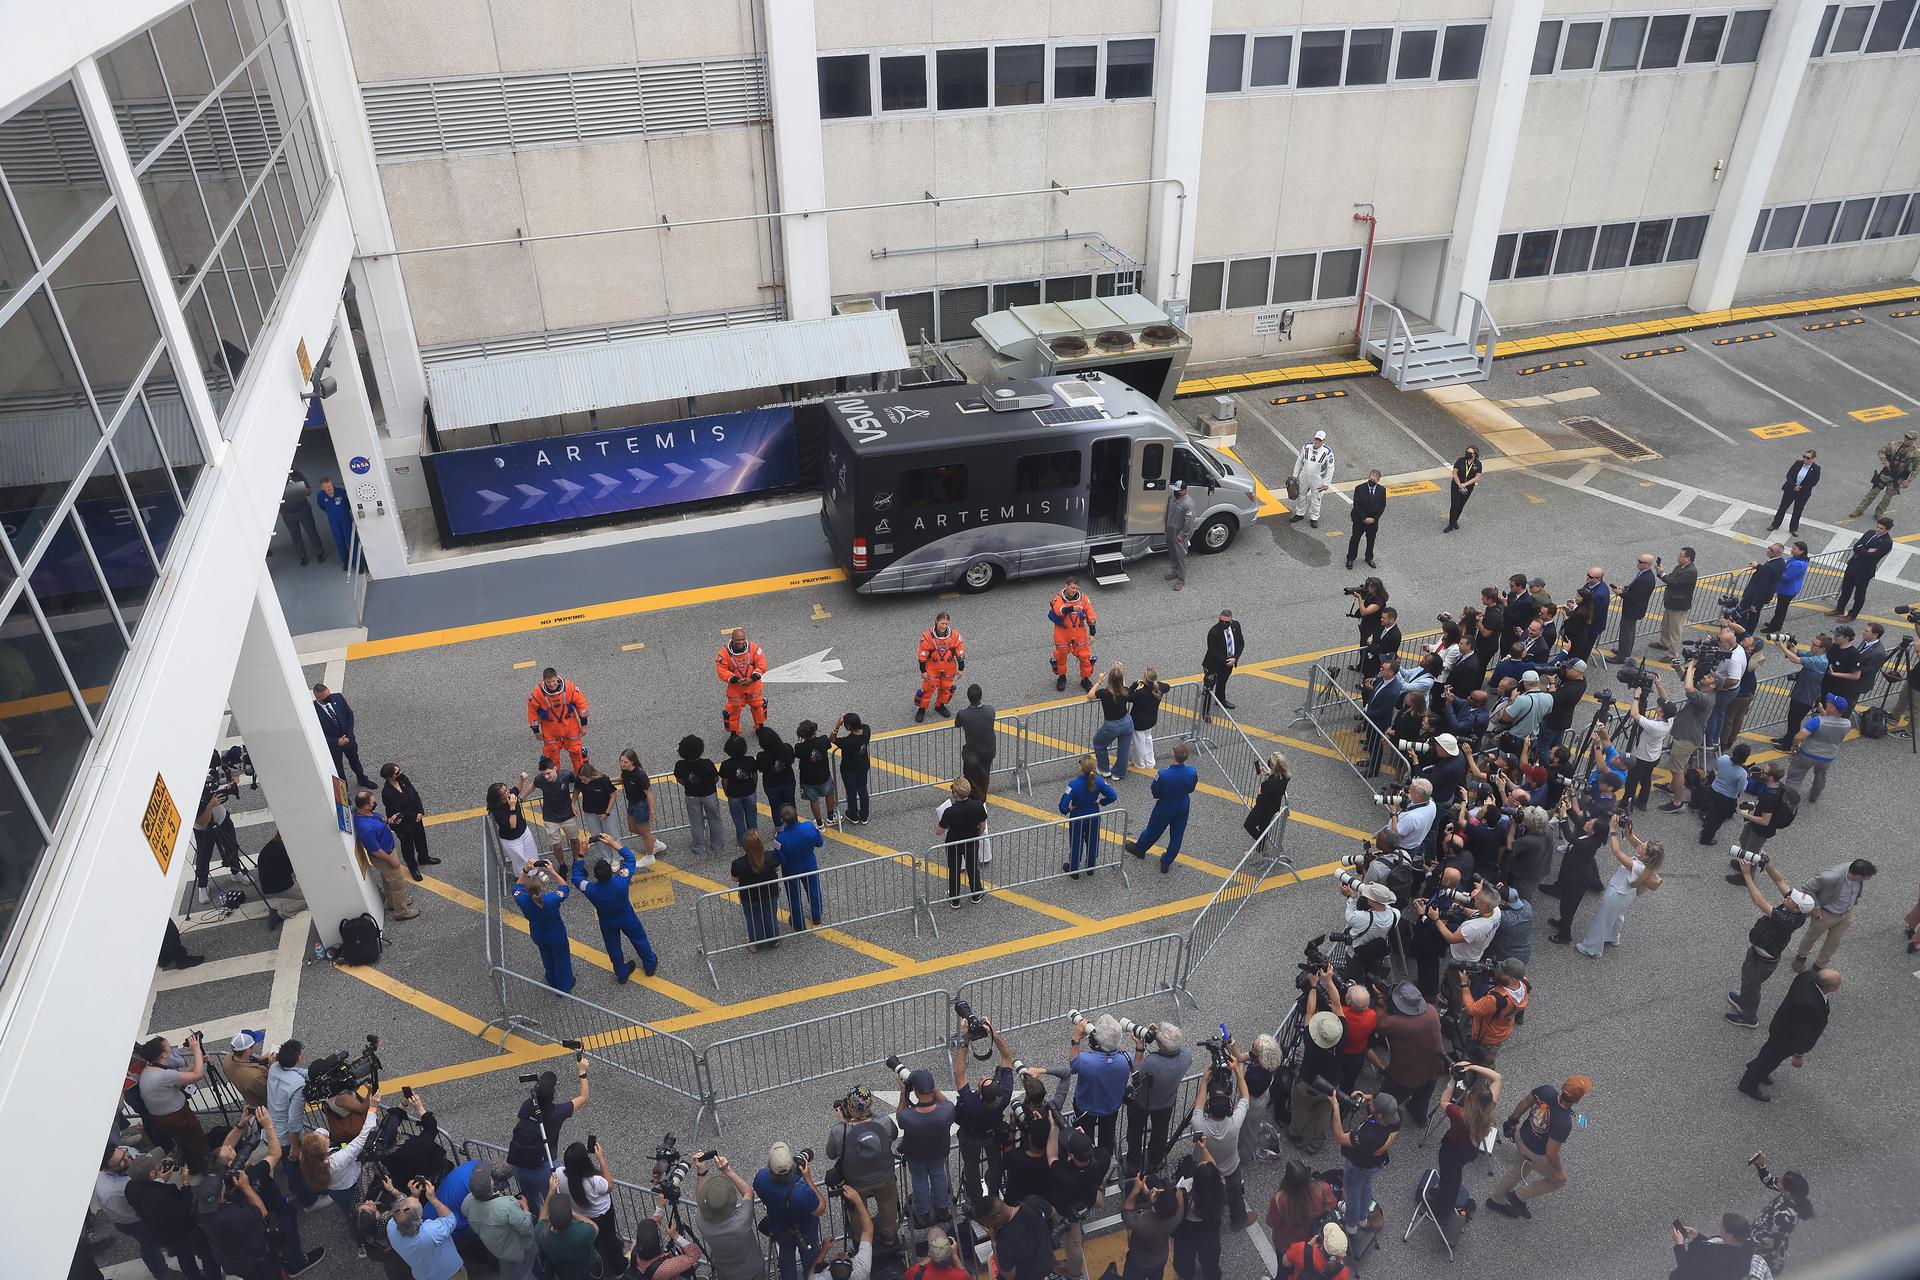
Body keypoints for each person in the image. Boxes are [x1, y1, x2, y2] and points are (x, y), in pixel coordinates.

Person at [1728, 857, 1814, 1028]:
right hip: (1758, 952)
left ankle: (1749, 1017)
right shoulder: (1795, 908)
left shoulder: (1788, 918)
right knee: (1747, 979)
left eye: (1792, 898)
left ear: (1797, 908)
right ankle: (1743, 999)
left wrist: (1747, 876)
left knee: (1752, 985)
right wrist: (1766, 862)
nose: (1788, 896)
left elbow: (1760, 902)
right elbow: (1779, 880)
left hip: (1763, 962)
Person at [1488, 1075, 1590, 1219]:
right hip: (1535, 1154)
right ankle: (1519, 1196)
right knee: (1559, 1181)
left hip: (1520, 1136)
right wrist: (1559, 1171)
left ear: (1562, 1087)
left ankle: (1496, 1200)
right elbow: (1551, 1151)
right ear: (1576, 1101)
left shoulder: (1546, 1091)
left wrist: (1512, 1121)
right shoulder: (1564, 1122)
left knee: (1517, 1170)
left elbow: (1524, 1104)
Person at [296, 1086, 382, 1253]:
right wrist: (372, 1107)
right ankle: (361, 1244)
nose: (323, 1134)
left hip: (335, 1189)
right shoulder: (335, 1161)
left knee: (348, 1212)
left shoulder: (307, 1157)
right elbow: (361, 1139)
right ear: (323, 1151)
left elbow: (320, 1132)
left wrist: (318, 1137)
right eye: (322, 1140)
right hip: (349, 1188)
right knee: (354, 1215)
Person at [569, 833, 659, 983]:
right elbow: (630, 859)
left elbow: (576, 877)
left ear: (595, 876)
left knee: (613, 947)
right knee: (639, 938)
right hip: (626, 916)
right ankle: (649, 964)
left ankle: (621, 973)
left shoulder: (590, 889)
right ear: (611, 872)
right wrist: (612, 843)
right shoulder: (621, 880)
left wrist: (581, 853)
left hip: (607, 922)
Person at [1429, 1063, 1500, 1245]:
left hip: (1452, 1150)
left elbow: (1444, 1101)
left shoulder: (1459, 1115)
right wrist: (1473, 1066)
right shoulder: (1489, 1107)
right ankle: (1449, 1196)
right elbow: (1497, 1077)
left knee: (1447, 1178)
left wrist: (1453, 1079)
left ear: (1470, 1098)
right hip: (1470, 1150)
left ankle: (1442, 1211)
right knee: (1455, 1174)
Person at [125, 1152, 222, 1280]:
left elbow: (149, 1192)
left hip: (164, 1236)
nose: (161, 1166)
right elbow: (187, 1210)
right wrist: (185, 1184)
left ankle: (194, 1277)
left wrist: (159, 1181)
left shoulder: (130, 1188)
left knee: (184, 1258)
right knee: (208, 1256)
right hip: (185, 1234)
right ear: (152, 1174)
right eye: (158, 1167)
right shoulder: (163, 1195)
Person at [1576, 817, 1662, 958]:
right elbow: (1637, 844)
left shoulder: (1637, 867)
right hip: (1627, 893)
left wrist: (1613, 831)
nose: (1639, 845)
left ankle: (1592, 948)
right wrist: (1628, 833)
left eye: (1642, 847)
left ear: (1646, 856)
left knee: (1602, 920)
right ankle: (1612, 937)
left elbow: (1617, 851)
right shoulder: (1649, 864)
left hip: (1617, 892)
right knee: (1617, 917)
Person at [952, 1018, 1016, 1204]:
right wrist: (993, 1034)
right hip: (992, 1135)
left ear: (980, 1095)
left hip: (970, 1138)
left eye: (981, 1082)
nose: (982, 1077)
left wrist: (965, 1040)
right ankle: (994, 1192)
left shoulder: (972, 1104)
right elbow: (1007, 1058)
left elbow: (959, 1074)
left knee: (971, 1166)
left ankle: (976, 1197)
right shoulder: (1004, 1094)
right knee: (995, 1162)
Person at [506, 1064, 589, 1205]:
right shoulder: (556, 1113)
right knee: (553, 1203)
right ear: (553, 1096)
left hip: (520, 1164)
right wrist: (582, 1072)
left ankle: (536, 1222)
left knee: (531, 1203)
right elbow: (584, 1096)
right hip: (544, 1168)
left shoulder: (527, 1105)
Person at [1189, 1055, 1253, 1229]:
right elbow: (1245, 1097)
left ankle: (1207, 1219)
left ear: (1209, 1108)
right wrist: (1238, 1072)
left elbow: (1198, 1107)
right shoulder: (1234, 1124)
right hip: (1231, 1168)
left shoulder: (1199, 1124)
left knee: (1204, 1194)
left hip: (1206, 1170)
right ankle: (1239, 1220)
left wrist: (1204, 1081)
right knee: (1235, 1194)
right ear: (1229, 1109)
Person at [1373, 981, 1447, 1126]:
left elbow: (1380, 1023)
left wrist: (1381, 1002)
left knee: (1388, 1098)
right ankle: (1419, 1117)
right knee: (1423, 1096)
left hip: (1406, 1074)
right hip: (1434, 1067)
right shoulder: (1431, 1011)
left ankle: (1379, 1118)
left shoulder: (1396, 1023)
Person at [135, 1034, 211, 1174]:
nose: (171, 1049)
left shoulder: (150, 1069)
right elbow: (197, 1075)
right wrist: (196, 1051)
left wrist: (197, 1063)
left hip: (162, 1118)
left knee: (184, 1143)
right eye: (168, 1047)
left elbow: (177, 1078)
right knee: (198, 1141)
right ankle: (208, 1168)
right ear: (163, 1054)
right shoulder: (162, 1075)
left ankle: (193, 1167)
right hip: (178, 1116)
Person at [1048, 1117, 1111, 1278]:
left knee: (1073, 1243)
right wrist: (1084, 1141)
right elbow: (1096, 1152)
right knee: (1095, 1194)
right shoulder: (1103, 1158)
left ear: (1071, 1155)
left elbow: (1051, 1157)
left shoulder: (1064, 1175)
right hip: (1089, 1196)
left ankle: (1074, 1271)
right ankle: (1099, 1200)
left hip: (1069, 1211)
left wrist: (1054, 1129)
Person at [1329, 1089, 1398, 1235]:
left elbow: (1340, 1137)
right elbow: (1379, 1101)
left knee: (1352, 1193)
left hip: (1358, 1166)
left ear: (1379, 1115)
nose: (1369, 1104)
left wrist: (1335, 1107)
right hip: (1376, 1163)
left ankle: (1351, 1225)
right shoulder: (1395, 1118)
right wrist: (1365, 1097)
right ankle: (1362, 1218)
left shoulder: (1369, 1135)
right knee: (1366, 1186)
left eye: (1372, 1105)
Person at [753, 1142, 825, 1280]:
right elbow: (820, 1209)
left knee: (786, 1255)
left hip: (780, 1227)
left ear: (769, 1165)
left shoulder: (761, 1178)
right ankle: (810, 1277)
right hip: (806, 1229)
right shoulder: (801, 1191)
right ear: (792, 1166)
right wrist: (807, 1177)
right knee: (810, 1257)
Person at [1793, 859, 1875, 971]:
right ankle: (1801, 957)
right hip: (1826, 913)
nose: (1869, 879)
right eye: (1867, 877)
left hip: (1847, 913)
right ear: (1857, 875)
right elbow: (1807, 888)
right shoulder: (1829, 878)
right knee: (1812, 937)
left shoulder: (1856, 874)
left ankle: (1819, 966)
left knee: (1834, 942)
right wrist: (1816, 907)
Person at [1127, 743, 1198, 873]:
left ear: (1173, 754)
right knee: (1177, 834)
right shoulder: (1192, 771)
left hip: (1166, 804)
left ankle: (1140, 849)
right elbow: (1192, 787)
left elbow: (1155, 792)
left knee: (1154, 828)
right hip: (1183, 803)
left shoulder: (1163, 774)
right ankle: (1167, 861)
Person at [898, 1069, 956, 1227]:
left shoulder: (908, 1117)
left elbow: (900, 1115)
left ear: (914, 1091)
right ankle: (942, 1207)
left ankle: (923, 1212)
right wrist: (934, 1089)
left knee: (919, 1180)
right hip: (938, 1153)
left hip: (916, 1156)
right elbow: (945, 1102)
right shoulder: (946, 1111)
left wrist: (903, 1093)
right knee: (939, 1177)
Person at [1067, 1013, 1132, 1151]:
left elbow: (1073, 1065)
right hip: (1111, 1107)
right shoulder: (1126, 1059)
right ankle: (1105, 1155)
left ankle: (1086, 1155)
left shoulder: (1085, 1061)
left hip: (1085, 1108)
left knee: (1084, 1138)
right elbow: (1132, 1060)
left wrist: (1076, 1038)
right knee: (1107, 1134)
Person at [559, 1139, 623, 1276]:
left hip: (582, 1217)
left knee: (593, 1240)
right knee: (610, 1240)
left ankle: (599, 1264)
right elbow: (609, 1185)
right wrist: (601, 1158)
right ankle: (618, 1268)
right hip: (602, 1215)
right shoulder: (594, 1181)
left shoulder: (559, 1174)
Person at [462, 1164, 537, 1280]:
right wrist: (525, 1207)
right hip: (518, 1249)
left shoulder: (467, 1202)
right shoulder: (505, 1205)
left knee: (509, 1272)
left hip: (497, 1248)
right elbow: (525, 1227)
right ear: (491, 1185)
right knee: (527, 1272)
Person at [691, 1155, 760, 1280]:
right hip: (753, 1271)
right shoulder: (741, 1221)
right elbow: (748, 1192)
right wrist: (727, 1170)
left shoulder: (701, 1222)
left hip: (726, 1274)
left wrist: (702, 1171)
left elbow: (701, 1200)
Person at [354, 788, 419, 920]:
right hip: (384, 856)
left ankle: (392, 903)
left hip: (387, 852)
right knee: (397, 884)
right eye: (372, 803)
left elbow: (380, 819)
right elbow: (375, 850)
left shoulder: (366, 814)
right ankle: (401, 912)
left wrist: (389, 821)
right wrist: (391, 859)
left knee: (388, 880)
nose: (375, 804)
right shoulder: (366, 828)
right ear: (366, 806)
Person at [1748, 1152, 1814, 1277]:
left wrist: (1741, 1241)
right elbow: (1768, 1180)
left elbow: (1766, 1240)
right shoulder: (1791, 1194)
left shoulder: (1784, 1217)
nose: (1777, 1180)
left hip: (1767, 1256)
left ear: (1788, 1190)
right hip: (1763, 1241)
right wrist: (1761, 1166)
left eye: (1780, 1181)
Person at [512, 861, 574, 993]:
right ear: (541, 888)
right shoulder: (551, 900)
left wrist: (525, 870)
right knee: (561, 958)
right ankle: (564, 986)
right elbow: (564, 888)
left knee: (546, 955)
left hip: (538, 934)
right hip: (556, 934)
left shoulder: (523, 900)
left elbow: (516, 889)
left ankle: (551, 979)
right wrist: (553, 871)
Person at [1170, 1138, 1228, 1280]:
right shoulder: (1219, 1186)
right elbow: (1211, 1166)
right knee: (1210, 1255)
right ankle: (1211, 1274)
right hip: (1211, 1224)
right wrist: (1204, 1148)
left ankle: (1186, 1273)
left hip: (1189, 1228)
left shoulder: (1185, 1190)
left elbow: (1178, 1215)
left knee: (1185, 1254)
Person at [382, 1186, 465, 1280]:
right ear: (419, 1218)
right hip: (452, 1275)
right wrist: (433, 1199)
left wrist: (415, 1195)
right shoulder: (430, 1232)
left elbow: (404, 1213)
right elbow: (451, 1220)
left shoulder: (391, 1227)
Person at [1457, 960, 1530, 1065]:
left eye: (1502, 973)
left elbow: (1472, 1009)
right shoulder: (1524, 983)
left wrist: (1464, 984)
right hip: (1502, 1031)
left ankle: (1476, 1075)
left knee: (1482, 1061)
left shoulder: (1495, 999)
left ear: (1513, 978)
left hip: (1486, 1037)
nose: (1498, 973)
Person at [1785, 693, 1850, 804]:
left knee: (1795, 777)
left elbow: (1799, 736)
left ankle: (1788, 800)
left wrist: (1794, 746)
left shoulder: (1817, 721)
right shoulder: (1846, 724)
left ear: (1833, 708)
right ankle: (1814, 797)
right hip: (1827, 758)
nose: (1826, 703)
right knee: (1820, 776)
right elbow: (1831, 723)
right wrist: (1824, 712)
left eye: (1829, 703)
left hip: (1807, 754)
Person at [1060, 755, 1118, 876]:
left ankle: (1074, 868)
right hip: (1094, 815)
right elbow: (1113, 796)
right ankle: (1090, 866)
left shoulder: (1074, 784)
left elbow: (1062, 806)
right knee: (1093, 840)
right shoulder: (1099, 781)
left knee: (1076, 841)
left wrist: (1068, 809)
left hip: (1078, 816)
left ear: (1081, 767)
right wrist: (1101, 802)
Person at [1266, 1161, 1337, 1259]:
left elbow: (1271, 1222)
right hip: (1311, 1243)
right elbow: (1332, 1204)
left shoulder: (1279, 1199)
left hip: (1286, 1244)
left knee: (1284, 1270)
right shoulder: (1322, 1189)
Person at [380, 763, 440, 879]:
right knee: (407, 845)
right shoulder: (387, 793)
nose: (400, 773)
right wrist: (414, 816)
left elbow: (415, 794)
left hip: (416, 816)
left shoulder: (403, 779)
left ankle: (424, 857)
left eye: (399, 770)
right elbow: (397, 810)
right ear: (390, 777)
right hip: (403, 823)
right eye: (396, 773)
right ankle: (412, 867)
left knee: (420, 837)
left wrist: (420, 811)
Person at [977, 1193, 1056, 1280]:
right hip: (1048, 1268)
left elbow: (1008, 1275)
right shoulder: (1032, 1202)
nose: (990, 1227)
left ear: (998, 1216)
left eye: (989, 1224)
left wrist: (994, 1243)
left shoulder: (1004, 1240)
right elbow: (1053, 1212)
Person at [312, 681, 376, 788]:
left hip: (348, 739)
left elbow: (349, 715)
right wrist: (337, 741)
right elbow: (317, 734)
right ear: (318, 698)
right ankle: (343, 792)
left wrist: (349, 734)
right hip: (333, 746)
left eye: (329, 694)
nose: (330, 698)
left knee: (355, 761)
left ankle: (362, 779)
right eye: (326, 697)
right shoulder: (313, 711)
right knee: (339, 769)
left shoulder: (338, 697)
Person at [525, 668, 590, 774]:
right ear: (544, 681)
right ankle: (556, 776)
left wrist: (584, 724)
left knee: (575, 750)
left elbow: (581, 704)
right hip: (550, 727)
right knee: (552, 753)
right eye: (548, 682)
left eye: (553, 681)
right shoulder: (537, 694)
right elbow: (532, 713)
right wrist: (536, 731)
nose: (552, 684)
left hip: (569, 723)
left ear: (557, 679)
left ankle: (579, 774)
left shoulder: (569, 687)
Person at [1119, 1173, 1183, 1280]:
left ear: (1154, 1209)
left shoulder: (1143, 1223)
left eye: (1156, 1193)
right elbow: (1172, 1197)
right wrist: (1150, 1193)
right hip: (1161, 1257)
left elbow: (1126, 1213)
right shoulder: (1177, 1214)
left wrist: (1136, 1189)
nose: (1155, 1189)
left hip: (1139, 1261)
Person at [936, 778, 988, 907]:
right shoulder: (978, 806)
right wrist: (976, 835)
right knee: (972, 868)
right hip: (971, 842)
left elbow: (939, 831)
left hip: (953, 844)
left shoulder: (950, 811)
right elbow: (982, 826)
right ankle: (976, 894)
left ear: (955, 794)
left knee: (954, 870)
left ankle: (955, 899)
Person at [1845, 429, 1919, 519]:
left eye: (1909, 438)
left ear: (1914, 440)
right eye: (1906, 437)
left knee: (1887, 498)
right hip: (1886, 474)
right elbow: (1881, 451)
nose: (1906, 439)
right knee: (1872, 493)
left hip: (1898, 478)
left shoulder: (1916, 453)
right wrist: (1885, 461)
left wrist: (1909, 481)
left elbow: (1917, 468)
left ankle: (1879, 513)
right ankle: (1859, 510)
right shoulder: (1894, 444)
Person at [673, 734, 725, 859]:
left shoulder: (680, 765)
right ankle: (717, 845)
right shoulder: (707, 764)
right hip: (709, 795)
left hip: (691, 796)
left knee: (696, 822)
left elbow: (679, 779)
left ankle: (698, 847)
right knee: (715, 819)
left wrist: (688, 784)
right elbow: (715, 778)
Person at [773, 806, 825, 931]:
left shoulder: (779, 839)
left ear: (782, 820)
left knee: (794, 896)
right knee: (814, 890)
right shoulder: (809, 827)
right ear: (797, 815)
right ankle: (817, 916)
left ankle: (798, 923)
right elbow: (820, 842)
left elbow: (782, 861)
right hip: (809, 864)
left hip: (791, 870)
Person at [1669, 1213, 1765, 1280]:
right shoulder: (1745, 1249)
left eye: (1721, 1228)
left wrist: (1679, 1244)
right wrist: (1698, 1236)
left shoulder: (1714, 1256)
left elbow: (1686, 1269)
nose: (1719, 1230)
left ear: (1730, 1236)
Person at [730, 829, 782, 950]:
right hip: (770, 893)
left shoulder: (738, 864)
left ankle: (755, 943)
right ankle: (774, 940)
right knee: (770, 915)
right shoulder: (770, 857)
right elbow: (777, 869)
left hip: (749, 897)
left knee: (753, 919)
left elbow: (734, 878)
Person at [1833, 516, 1894, 619]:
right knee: (1846, 589)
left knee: (1859, 594)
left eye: (1881, 528)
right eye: (1878, 527)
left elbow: (1872, 556)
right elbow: (1856, 546)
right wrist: (1866, 550)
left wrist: (1863, 549)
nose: (1878, 530)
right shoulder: (1870, 532)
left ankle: (1852, 615)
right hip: (1853, 565)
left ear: (1887, 530)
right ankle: (1840, 609)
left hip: (1865, 571)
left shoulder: (1887, 542)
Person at [533, 1191, 601, 1280]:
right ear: (570, 1216)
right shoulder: (582, 1232)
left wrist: (550, 1193)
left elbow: (541, 1217)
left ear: (549, 1217)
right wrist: (574, 1214)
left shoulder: (541, 1232)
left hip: (564, 1273)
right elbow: (595, 1227)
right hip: (588, 1270)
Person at [715, 628, 769, 734]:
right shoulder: (723, 653)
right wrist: (736, 679)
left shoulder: (754, 648)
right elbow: (721, 670)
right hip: (736, 687)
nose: (741, 642)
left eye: (742, 639)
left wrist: (753, 678)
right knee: (733, 710)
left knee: (759, 706)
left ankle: (760, 727)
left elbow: (762, 663)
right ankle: (734, 732)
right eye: (738, 640)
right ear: (732, 639)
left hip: (753, 685)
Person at [914, 611, 966, 720]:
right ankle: (922, 709)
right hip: (932, 667)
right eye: (942, 623)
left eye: (946, 624)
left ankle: (940, 705)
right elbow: (922, 656)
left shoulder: (954, 635)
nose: (944, 626)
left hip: (949, 667)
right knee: (928, 688)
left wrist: (961, 668)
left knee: (946, 688)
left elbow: (960, 652)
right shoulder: (927, 636)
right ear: (937, 622)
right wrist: (923, 671)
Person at [1050, 577, 1099, 692]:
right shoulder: (1057, 599)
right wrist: (1073, 608)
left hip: (1079, 632)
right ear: (1066, 585)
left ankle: (1085, 679)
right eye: (1072, 587)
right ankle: (1062, 677)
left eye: (1076, 588)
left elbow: (1091, 616)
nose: (1074, 590)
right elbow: (1059, 611)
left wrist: (1092, 633)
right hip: (1063, 632)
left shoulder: (1084, 599)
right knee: (1060, 655)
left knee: (1085, 656)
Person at [617, 749, 666, 859]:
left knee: (645, 833)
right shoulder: (626, 771)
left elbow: (649, 793)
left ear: (633, 762)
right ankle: (656, 843)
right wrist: (609, 780)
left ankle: (649, 857)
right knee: (632, 828)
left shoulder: (640, 774)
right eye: (621, 761)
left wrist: (652, 811)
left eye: (625, 762)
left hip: (641, 805)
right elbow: (623, 778)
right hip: (632, 803)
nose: (622, 764)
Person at [1089, 665, 1134, 780]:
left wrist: (1099, 681)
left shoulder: (1104, 693)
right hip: (1127, 722)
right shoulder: (1125, 691)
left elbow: (1090, 695)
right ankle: (1119, 773)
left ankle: (1104, 769)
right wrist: (1120, 671)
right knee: (1124, 749)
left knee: (1098, 743)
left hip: (1112, 725)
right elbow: (1123, 685)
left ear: (1109, 680)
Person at [487, 781, 540, 875]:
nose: (509, 791)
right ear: (499, 797)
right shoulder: (497, 811)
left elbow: (517, 789)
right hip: (512, 840)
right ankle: (525, 879)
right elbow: (512, 825)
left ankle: (535, 873)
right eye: (505, 791)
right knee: (521, 860)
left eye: (507, 788)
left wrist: (522, 779)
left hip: (524, 831)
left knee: (532, 853)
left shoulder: (510, 795)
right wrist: (512, 807)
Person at [794, 720, 839, 828]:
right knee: (829, 794)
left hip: (807, 779)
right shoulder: (823, 740)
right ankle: (830, 817)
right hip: (824, 775)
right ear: (814, 730)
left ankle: (819, 824)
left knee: (813, 800)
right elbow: (829, 742)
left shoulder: (799, 747)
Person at [1653, 546, 1698, 655]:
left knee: (1675, 631)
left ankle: (1673, 654)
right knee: (1666, 625)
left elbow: (1674, 583)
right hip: (1671, 602)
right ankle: (1664, 643)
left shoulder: (1690, 571)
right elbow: (1671, 578)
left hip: (1679, 605)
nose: (1678, 557)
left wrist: (1662, 574)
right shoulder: (1680, 567)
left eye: (1680, 556)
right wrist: (1661, 574)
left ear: (1688, 558)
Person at [717, 734, 760, 845]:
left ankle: (742, 839)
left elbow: (724, 780)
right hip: (749, 791)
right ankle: (754, 836)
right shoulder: (750, 760)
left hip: (734, 794)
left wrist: (726, 791)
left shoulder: (726, 764)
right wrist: (754, 785)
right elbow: (755, 775)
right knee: (752, 815)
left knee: (738, 818)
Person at [831, 712, 873, 825]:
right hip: (863, 766)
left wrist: (837, 726)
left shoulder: (847, 741)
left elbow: (832, 739)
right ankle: (864, 816)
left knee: (851, 792)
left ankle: (853, 815)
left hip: (849, 770)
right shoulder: (866, 730)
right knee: (863, 790)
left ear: (848, 727)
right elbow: (863, 725)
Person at [1289, 430, 1336, 527]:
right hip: (1304, 476)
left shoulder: (1328, 452)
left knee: (1316, 499)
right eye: (1316, 439)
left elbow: (1331, 468)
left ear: (1323, 441)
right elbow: (1299, 461)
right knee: (1301, 495)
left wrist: (1326, 483)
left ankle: (1314, 518)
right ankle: (1299, 514)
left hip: (1318, 479)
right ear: (1314, 438)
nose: (1317, 441)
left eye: (1320, 440)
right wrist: (1295, 474)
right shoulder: (1306, 447)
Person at [1245, 751, 1291, 848]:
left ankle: (1261, 844)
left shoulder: (1271, 782)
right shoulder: (1284, 776)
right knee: (1263, 828)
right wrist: (1269, 773)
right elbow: (1277, 781)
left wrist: (1260, 791)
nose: (1269, 762)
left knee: (1248, 825)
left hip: (1263, 808)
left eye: (1271, 763)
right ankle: (1260, 848)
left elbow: (1264, 793)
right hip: (1272, 807)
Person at [954, 684, 999, 783]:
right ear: (981, 697)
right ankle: (982, 791)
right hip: (989, 749)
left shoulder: (963, 714)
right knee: (985, 773)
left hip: (972, 751)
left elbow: (957, 724)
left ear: (968, 698)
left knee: (970, 776)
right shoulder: (990, 710)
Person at [1614, 553, 1656, 658]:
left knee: (1627, 633)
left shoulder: (1646, 579)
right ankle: (1624, 651)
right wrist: (1625, 587)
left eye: (1640, 562)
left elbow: (1635, 597)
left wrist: (1621, 593)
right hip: (1633, 608)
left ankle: (1622, 656)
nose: (1638, 563)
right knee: (1628, 631)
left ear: (1647, 564)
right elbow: (1634, 586)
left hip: (1633, 609)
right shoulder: (1643, 574)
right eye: (1638, 560)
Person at [315, 476, 361, 572]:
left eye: (330, 486)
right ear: (323, 488)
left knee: (351, 540)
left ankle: (358, 563)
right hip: (333, 520)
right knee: (339, 541)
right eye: (327, 487)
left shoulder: (342, 492)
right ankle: (346, 561)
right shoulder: (321, 496)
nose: (330, 488)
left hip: (345, 519)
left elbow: (349, 504)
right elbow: (322, 506)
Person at [1202, 609, 1245, 711]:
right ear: (1219, 619)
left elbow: (1241, 643)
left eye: (1226, 622)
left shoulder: (1236, 625)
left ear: (1231, 621)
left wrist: (1235, 658)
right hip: (1213, 664)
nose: (1223, 624)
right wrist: (1227, 661)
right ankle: (1205, 712)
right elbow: (1212, 651)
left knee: (1222, 683)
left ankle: (1220, 700)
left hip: (1229, 664)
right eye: (1221, 621)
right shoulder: (1214, 632)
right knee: (1209, 687)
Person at [279, 469, 324, 564]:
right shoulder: (275, 479)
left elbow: (309, 491)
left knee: (311, 531)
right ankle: (302, 556)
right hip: (287, 513)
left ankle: (320, 552)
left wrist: (299, 489)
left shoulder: (297, 475)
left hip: (303, 509)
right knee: (295, 535)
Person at [1771, 449, 1821, 534]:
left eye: (1808, 458)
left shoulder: (1816, 469)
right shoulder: (1798, 463)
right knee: (1782, 508)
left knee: (1797, 511)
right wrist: (1794, 486)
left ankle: (1793, 529)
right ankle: (1775, 524)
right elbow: (1789, 475)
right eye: (1804, 457)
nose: (1805, 459)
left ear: (1813, 458)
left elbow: (1813, 482)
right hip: (1790, 489)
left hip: (1803, 493)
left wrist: (1801, 488)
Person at [1128, 669, 1170, 767]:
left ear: (1145, 678)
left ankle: (1140, 763)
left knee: (1139, 742)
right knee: (1147, 739)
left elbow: (1128, 696)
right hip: (1151, 720)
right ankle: (1150, 761)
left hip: (1139, 722)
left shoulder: (1141, 693)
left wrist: (1135, 685)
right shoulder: (1159, 688)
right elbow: (1167, 686)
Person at [1279, 1224, 1352, 1280]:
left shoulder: (1300, 1249)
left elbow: (1285, 1262)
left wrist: (1307, 1246)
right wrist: (1341, 1263)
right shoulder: (1342, 1274)